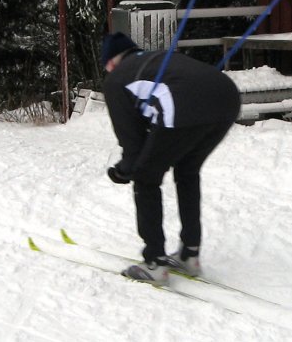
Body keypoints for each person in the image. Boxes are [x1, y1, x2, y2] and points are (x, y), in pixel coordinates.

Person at [99, 31, 241, 285]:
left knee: (146, 177)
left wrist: (123, 171)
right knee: (187, 169)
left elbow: (132, 145)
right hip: (227, 98)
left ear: (110, 62)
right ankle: (189, 254)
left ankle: (154, 263)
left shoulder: (117, 79)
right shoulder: (156, 60)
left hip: (184, 104)